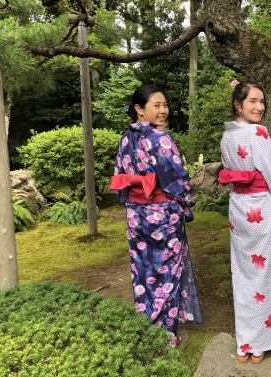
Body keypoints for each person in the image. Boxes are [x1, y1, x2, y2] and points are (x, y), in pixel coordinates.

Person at [110, 84, 202, 347]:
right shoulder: (160, 139)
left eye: (164, 105)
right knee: (167, 274)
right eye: (156, 106)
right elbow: (179, 181)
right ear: (139, 109)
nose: (163, 111)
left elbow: (120, 177)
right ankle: (167, 337)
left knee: (143, 272)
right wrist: (186, 204)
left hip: (136, 216)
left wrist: (132, 204)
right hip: (163, 216)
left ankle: (147, 328)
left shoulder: (126, 139)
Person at [219, 80, 271, 364]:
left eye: (261, 102)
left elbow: (229, 172)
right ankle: (260, 343)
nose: (259, 107)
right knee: (265, 274)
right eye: (252, 101)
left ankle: (244, 343)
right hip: (261, 206)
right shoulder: (258, 133)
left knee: (243, 273)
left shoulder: (227, 136)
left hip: (238, 207)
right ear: (238, 104)